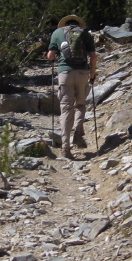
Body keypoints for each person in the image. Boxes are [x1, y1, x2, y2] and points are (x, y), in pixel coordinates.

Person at [47, 15, 97, 159]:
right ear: (78, 24)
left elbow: (50, 56)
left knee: (66, 109)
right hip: (82, 73)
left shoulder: (57, 33)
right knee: (80, 105)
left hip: (65, 73)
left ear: (64, 24)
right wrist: (92, 73)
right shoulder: (85, 33)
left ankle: (65, 147)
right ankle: (78, 133)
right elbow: (93, 56)